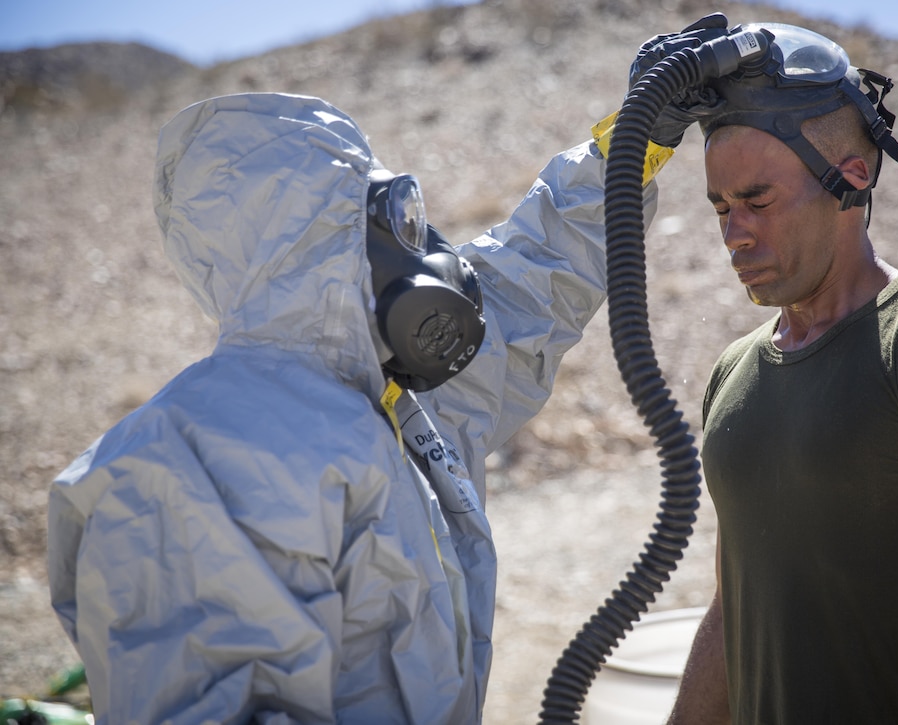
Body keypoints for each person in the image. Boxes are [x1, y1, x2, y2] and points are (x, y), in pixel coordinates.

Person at [46, 92, 658, 723]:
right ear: (321, 242)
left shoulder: (393, 405)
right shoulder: (182, 463)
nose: (423, 251)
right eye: (398, 219)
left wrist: (630, 143)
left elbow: (529, 283)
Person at [627, 15, 898, 725]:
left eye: (757, 200)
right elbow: (738, 613)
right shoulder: (733, 373)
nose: (734, 232)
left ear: (849, 178)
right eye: (720, 207)